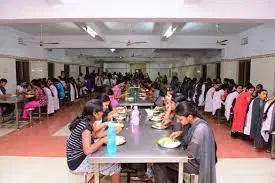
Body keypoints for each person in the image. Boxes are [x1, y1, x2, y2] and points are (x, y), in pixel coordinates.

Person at [153, 101, 217, 183]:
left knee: (159, 162)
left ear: (189, 116)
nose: (179, 122)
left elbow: (190, 154)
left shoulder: (200, 129)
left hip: (197, 164)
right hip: (195, 159)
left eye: (180, 119)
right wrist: (181, 133)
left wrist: (172, 151)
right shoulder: (196, 122)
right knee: (165, 161)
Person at [66, 100, 121, 183]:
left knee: (106, 164)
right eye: (101, 111)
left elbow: (94, 135)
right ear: (95, 113)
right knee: (114, 165)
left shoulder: (85, 122)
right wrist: (102, 141)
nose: (103, 113)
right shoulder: (85, 127)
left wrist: (110, 131)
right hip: (78, 163)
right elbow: (88, 150)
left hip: (77, 159)